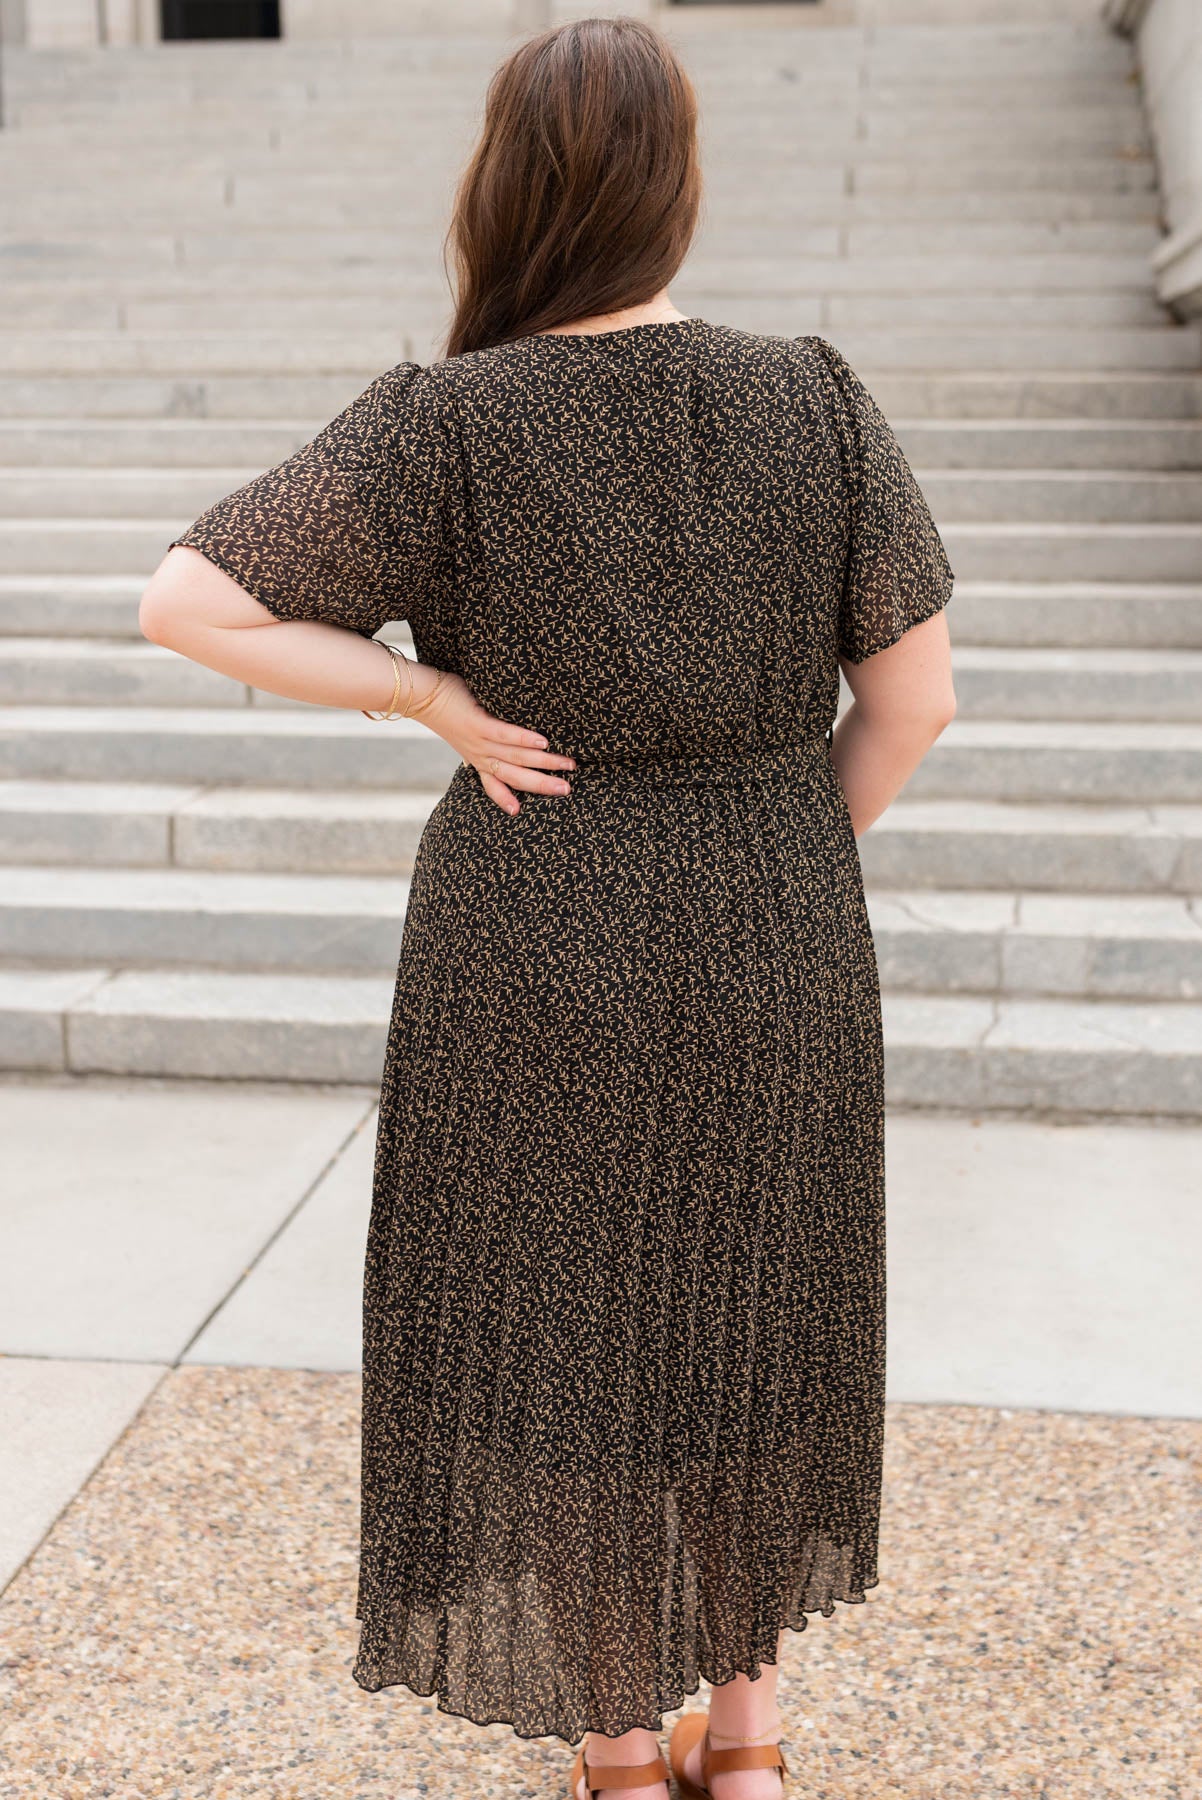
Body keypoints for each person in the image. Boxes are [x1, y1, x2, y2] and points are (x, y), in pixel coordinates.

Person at [139, 15, 956, 1800]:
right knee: (753, 1310)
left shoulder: (446, 422)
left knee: (564, 1331)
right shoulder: (811, 393)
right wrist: (772, 856)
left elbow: (185, 598)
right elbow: (917, 702)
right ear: (674, 185)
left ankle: (604, 1740)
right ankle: (741, 1744)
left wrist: (425, 702)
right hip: (773, 936)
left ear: (504, 184)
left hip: (531, 926)